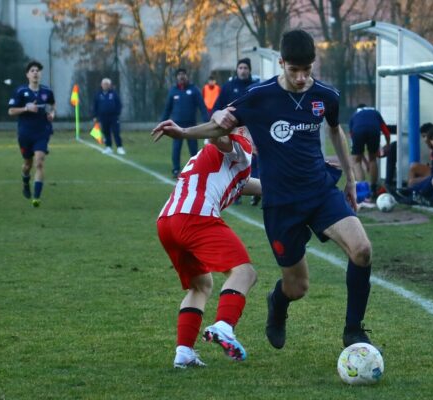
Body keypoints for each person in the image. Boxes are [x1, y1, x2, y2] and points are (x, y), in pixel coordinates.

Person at [152, 29, 374, 350]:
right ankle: (278, 304)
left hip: (320, 192)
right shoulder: (259, 96)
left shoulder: (326, 96)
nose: (301, 78)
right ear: (281, 63)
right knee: (297, 287)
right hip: (281, 205)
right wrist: (184, 131)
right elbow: (221, 125)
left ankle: (353, 330)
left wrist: (351, 179)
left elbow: (336, 131)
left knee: (362, 250)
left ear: (314, 65)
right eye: (294, 70)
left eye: (307, 70)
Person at [155, 126, 261, 368]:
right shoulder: (238, 145)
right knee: (245, 273)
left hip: (167, 221)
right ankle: (224, 326)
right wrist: (221, 125)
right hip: (196, 216)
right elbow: (219, 137)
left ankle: (184, 352)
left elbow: (246, 185)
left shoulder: (221, 164)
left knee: (201, 285)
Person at [7, 60, 56, 208]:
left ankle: (36, 197)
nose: (35, 73)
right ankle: (25, 181)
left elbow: (52, 105)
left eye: (38, 70)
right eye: (32, 70)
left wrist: (52, 114)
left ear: (40, 74)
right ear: (27, 74)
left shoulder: (47, 91)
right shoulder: (20, 91)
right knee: (27, 165)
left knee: (39, 162)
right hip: (25, 134)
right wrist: (26, 109)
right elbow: (10, 111)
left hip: (42, 132)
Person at [213, 58, 261, 206]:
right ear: (237, 69)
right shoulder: (228, 87)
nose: (243, 70)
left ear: (250, 70)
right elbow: (218, 107)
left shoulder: (256, 88)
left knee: (254, 161)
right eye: (240, 68)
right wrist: (217, 119)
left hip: (251, 130)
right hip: (232, 131)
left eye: (245, 68)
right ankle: (236, 193)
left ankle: (256, 192)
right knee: (235, 161)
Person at [161, 68, 209, 177]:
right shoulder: (173, 91)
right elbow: (167, 109)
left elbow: (202, 107)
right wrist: (162, 124)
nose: (181, 76)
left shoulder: (194, 90)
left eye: (183, 74)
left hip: (191, 126)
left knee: (193, 150)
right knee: (176, 149)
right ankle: (176, 170)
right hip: (176, 126)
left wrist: (207, 122)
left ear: (187, 76)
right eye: (179, 75)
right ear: (176, 77)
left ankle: (196, 169)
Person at [348, 104, 391, 199]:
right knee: (373, 159)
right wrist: (388, 145)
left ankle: (363, 190)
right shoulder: (375, 112)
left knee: (356, 161)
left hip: (357, 131)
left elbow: (356, 150)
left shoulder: (355, 115)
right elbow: (386, 131)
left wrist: (362, 160)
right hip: (374, 130)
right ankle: (373, 189)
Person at [93, 78, 124, 155]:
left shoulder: (113, 94)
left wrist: (117, 113)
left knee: (116, 132)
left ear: (109, 85)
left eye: (107, 84)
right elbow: (95, 106)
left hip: (113, 117)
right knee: (106, 132)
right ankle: (108, 147)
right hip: (103, 117)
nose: (105, 85)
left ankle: (120, 147)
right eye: (104, 84)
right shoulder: (98, 94)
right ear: (101, 85)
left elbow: (119, 104)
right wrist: (95, 116)